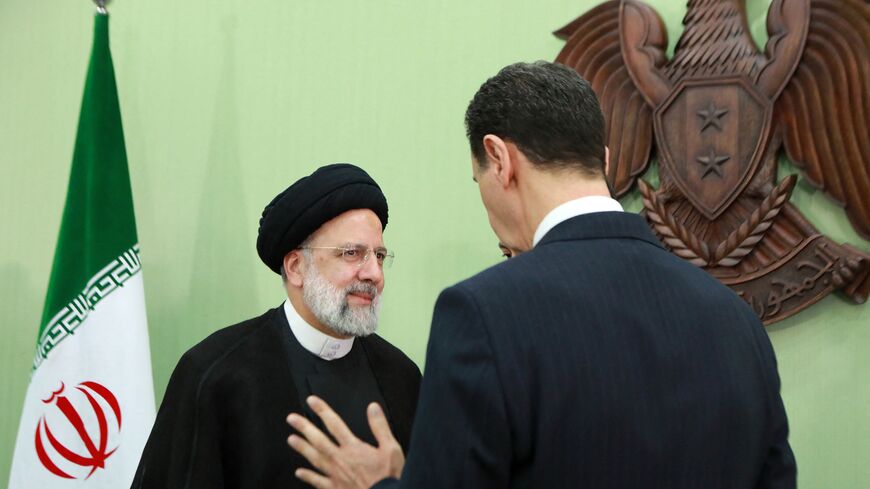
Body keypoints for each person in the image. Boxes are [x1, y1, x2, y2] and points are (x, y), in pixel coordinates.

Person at [285, 62, 796, 489]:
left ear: (499, 159)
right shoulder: (736, 322)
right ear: (604, 161)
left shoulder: (484, 313)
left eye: (477, 180)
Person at [131, 163, 422, 489]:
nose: (374, 274)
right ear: (296, 267)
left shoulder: (403, 378)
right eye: (352, 253)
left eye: (379, 256)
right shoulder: (214, 374)